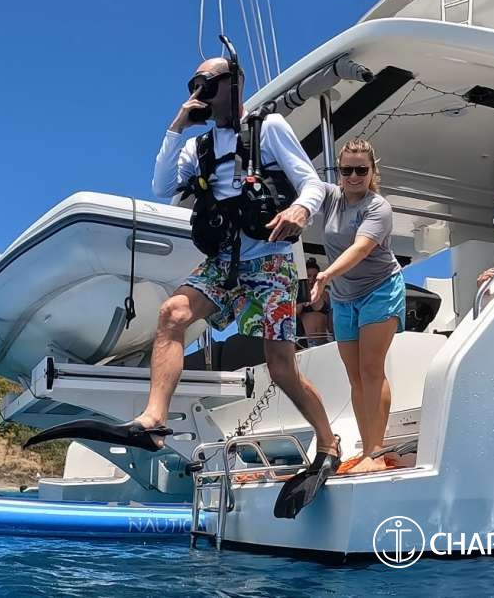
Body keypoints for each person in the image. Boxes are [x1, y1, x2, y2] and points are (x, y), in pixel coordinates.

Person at [24, 56, 341, 519]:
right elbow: (161, 184)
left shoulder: (268, 128)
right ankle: (153, 422)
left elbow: (311, 183)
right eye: (194, 85)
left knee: (281, 367)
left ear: (234, 84)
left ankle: (328, 445)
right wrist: (176, 127)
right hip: (224, 262)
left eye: (207, 83)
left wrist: (301, 209)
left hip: (270, 260)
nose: (199, 92)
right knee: (172, 313)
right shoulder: (200, 147)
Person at [307, 139, 405, 474]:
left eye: (361, 170)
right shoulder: (330, 196)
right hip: (344, 297)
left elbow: (361, 249)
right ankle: (366, 449)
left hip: (380, 289)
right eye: (346, 170)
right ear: (338, 171)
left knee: (371, 370)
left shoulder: (379, 207)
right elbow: (301, 180)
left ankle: (376, 452)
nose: (353, 176)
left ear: (372, 170)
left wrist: (326, 275)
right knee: (355, 377)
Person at [297, 257, 332, 347]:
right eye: (309, 276)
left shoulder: (325, 294)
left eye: (315, 276)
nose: (312, 279)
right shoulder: (300, 294)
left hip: (324, 338)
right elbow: (295, 312)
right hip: (306, 341)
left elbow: (329, 315)